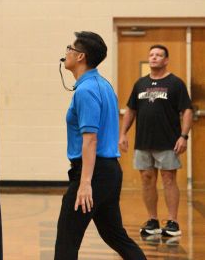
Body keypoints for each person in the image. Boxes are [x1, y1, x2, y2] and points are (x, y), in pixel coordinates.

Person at [55, 31, 145, 260]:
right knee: (115, 236)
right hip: (108, 172)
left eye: (70, 48)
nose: (66, 52)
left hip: (94, 174)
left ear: (81, 56)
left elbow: (90, 139)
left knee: (66, 240)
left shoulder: (86, 90)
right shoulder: (103, 85)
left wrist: (85, 183)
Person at [119, 44, 193, 238]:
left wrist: (184, 136)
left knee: (168, 179)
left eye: (158, 55)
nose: (154, 57)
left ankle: (173, 222)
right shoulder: (140, 84)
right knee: (146, 179)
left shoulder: (175, 83)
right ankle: (152, 220)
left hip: (168, 141)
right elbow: (131, 110)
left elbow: (187, 110)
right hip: (143, 142)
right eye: (151, 54)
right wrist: (123, 133)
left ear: (166, 60)